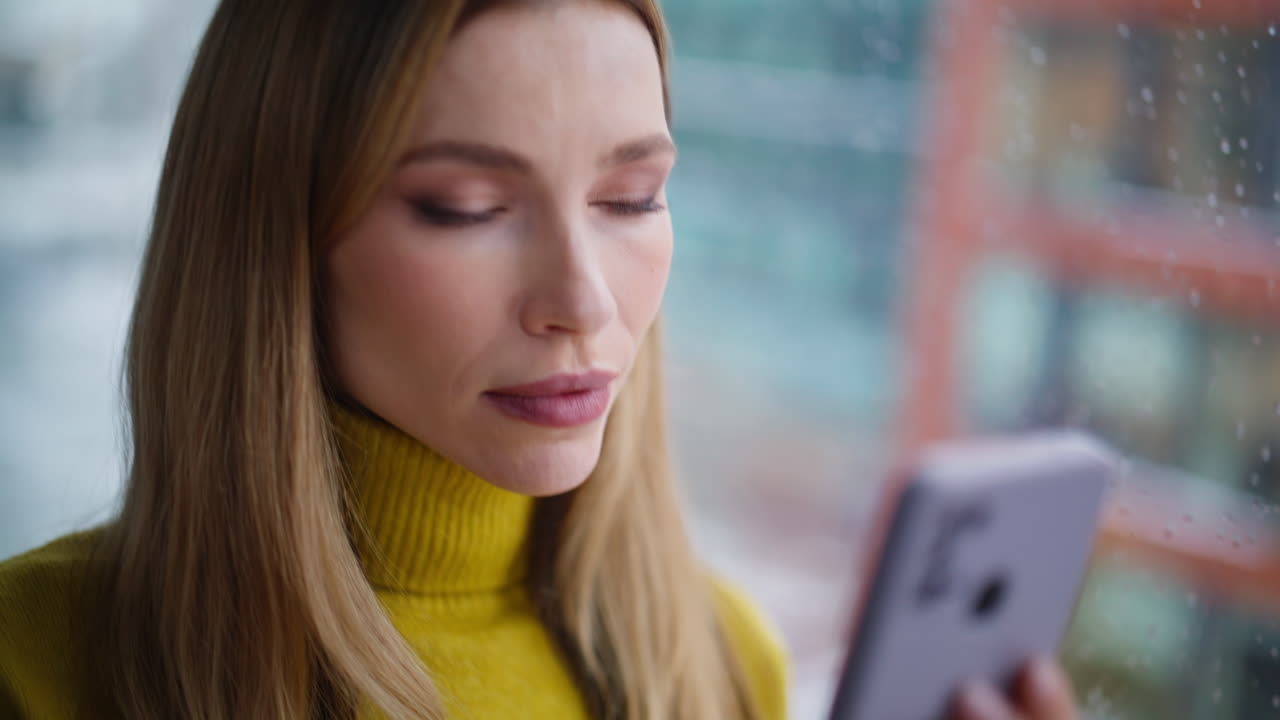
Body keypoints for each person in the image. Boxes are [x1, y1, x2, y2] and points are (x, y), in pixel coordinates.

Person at [0, 1, 1081, 718]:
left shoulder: (720, 661)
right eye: (466, 208)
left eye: (632, 199)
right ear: (275, 242)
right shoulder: (33, 666)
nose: (584, 300)